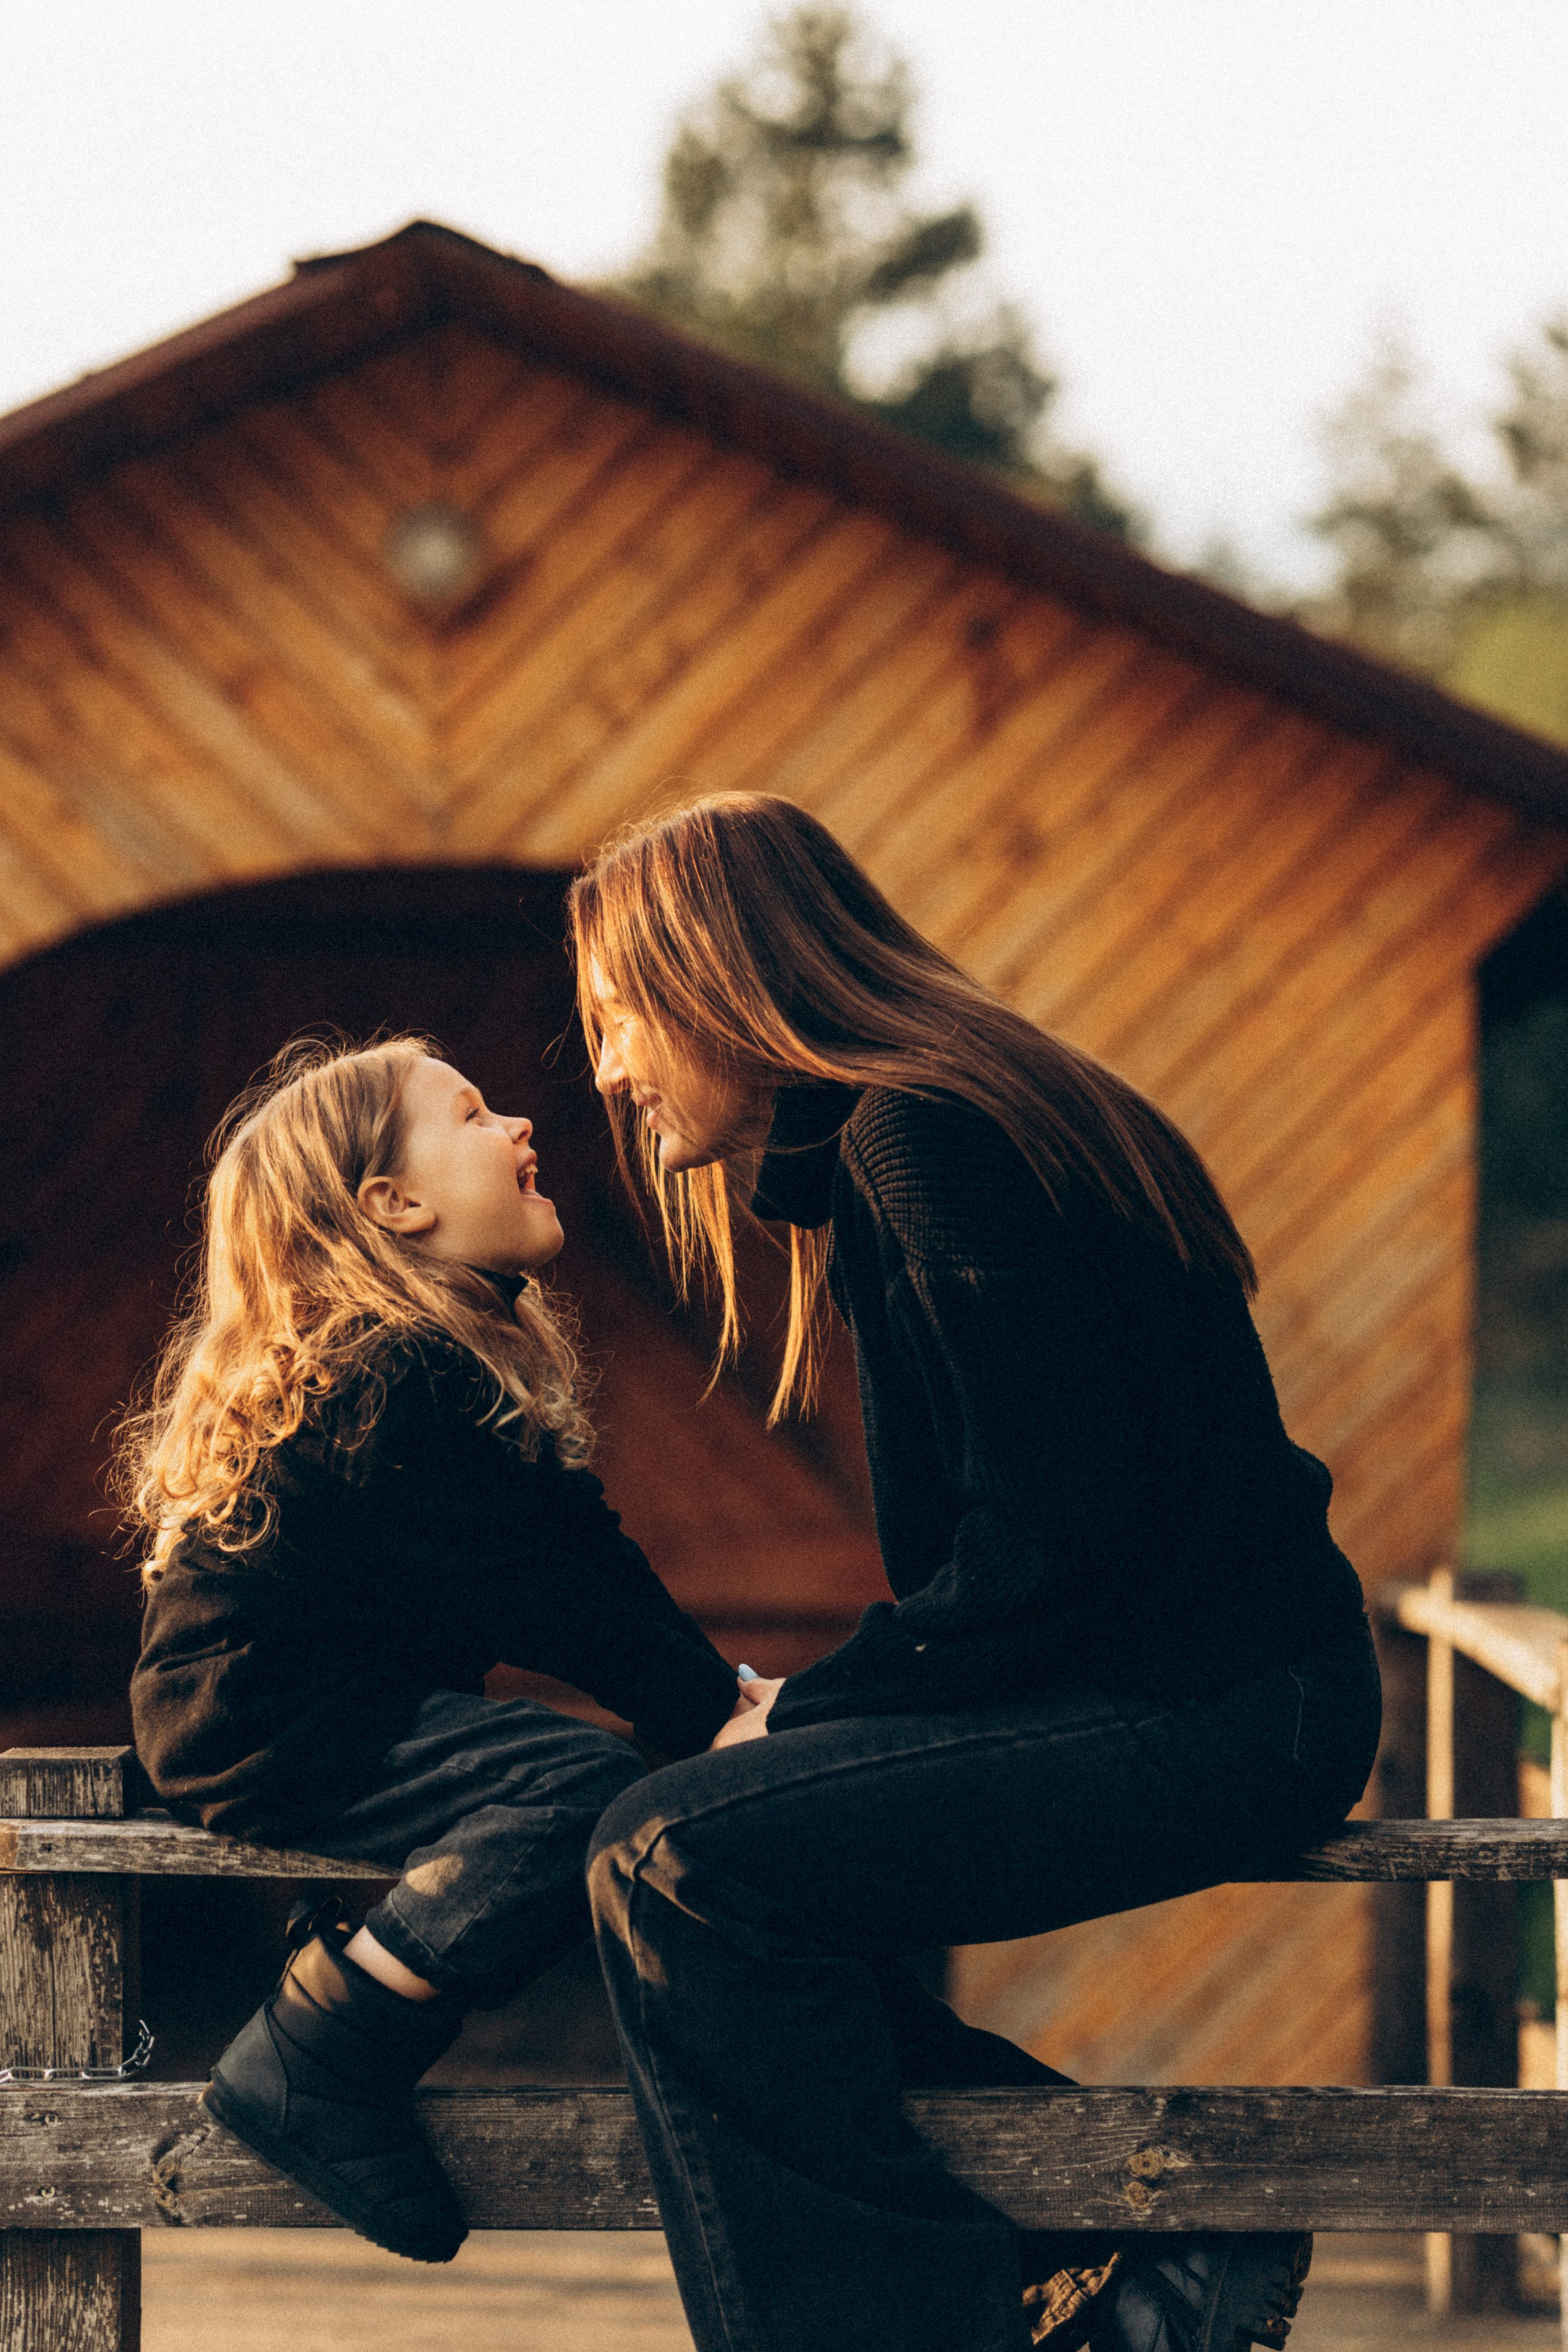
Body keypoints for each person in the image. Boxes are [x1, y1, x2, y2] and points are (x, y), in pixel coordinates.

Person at [570, 795, 1382, 2352]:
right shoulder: (917, 1128)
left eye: (616, 1019)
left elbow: (1044, 1544)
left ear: (717, 980)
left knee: (675, 1858)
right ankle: (1133, 2255)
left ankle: (1071, 2276)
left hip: (1221, 1706)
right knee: (694, 1869)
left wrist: (808, 1707)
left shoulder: (925, 1138)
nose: (607, 1069)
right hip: (1189, 1685)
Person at [123, 1036, 754, 2264]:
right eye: (471, 1114)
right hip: (264, 1714)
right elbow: (551, 1598)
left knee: (609, 1779)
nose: (519, 1125)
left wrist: (718, 1699)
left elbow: (587, 1564)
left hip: (333, 1701)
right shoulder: (391, 1376)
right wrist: (702, 1709)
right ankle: (318, 2051)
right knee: (574, 1788)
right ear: (394, 1207)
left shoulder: (448, 1363)